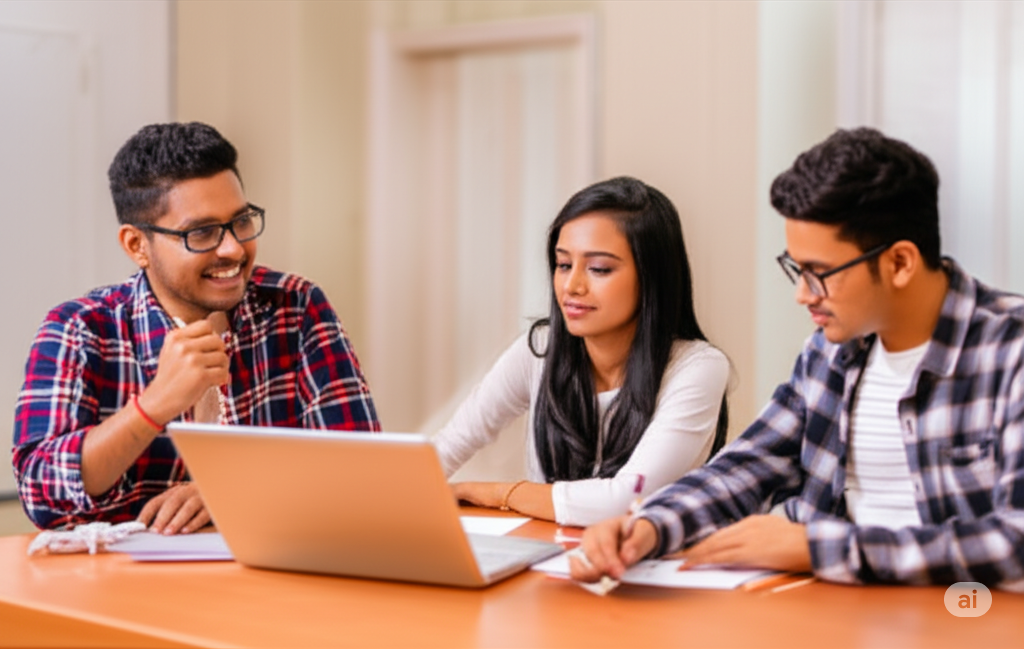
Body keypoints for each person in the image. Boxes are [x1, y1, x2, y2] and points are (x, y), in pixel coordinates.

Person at [571, 128, 1024, 590]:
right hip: (829, 611)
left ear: (900, 263)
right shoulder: (830, 351)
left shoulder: (1010, 351)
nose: (802, 294)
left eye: (820, 273)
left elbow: (1015, 538)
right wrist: (649, 525)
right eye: (796, 267)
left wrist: (817, 547)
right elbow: (750, 464)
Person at [13, 122, 380, 534]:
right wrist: (153, 406)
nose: (233, 249)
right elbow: (42, 495)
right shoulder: (79, 329)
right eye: (201, 233)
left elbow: (358, 468)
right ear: (137, 245)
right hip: (121, 590)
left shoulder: (296, 306)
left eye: (241, 222)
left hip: (272, 580)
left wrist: (234, 490)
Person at [432, 177, 730, 526]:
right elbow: (447, 447)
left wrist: (501, 494)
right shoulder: (539, 350)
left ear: (652, 278)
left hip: (647, 569)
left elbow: (626, 501)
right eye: (563, 265)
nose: (572, 286)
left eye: (599, 269)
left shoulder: (698, 368)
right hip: (549, 561)